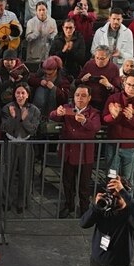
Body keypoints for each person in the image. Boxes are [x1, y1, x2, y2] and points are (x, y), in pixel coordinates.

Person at [52, 87, 102, 219]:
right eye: (77, 95)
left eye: (83, 95)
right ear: (73, 97)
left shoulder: (94, 112)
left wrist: (85, 121)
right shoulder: (67, 108)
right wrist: (57, 113)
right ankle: (69, 205)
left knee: (84, 185)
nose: (80, 98)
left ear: (89, 98)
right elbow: (52, 116)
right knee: (67, 183)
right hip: (68, 152)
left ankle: (85, 209)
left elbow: (96, 127)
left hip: (85, 155)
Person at [0, 85, 40, 214]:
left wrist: (23, 119)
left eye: (23, 93)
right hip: (10, 143)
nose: (20, 96)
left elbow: (33, 130)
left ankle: (22, 203)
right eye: (18, 93)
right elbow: (5, 127)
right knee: (7, 174)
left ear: (27, 95)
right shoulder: (7, 108)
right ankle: (6, 202)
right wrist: (13, 118)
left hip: (26, 144)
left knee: (25, 174)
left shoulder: (34, 110)